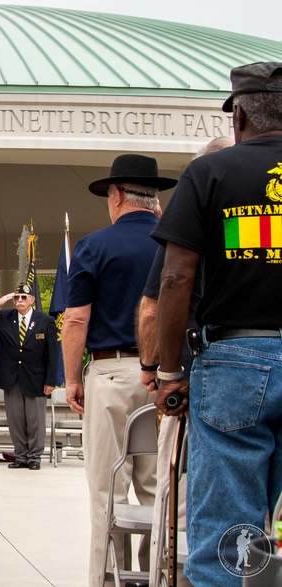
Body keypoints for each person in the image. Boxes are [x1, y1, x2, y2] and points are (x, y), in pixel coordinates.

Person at [153, 62, 282, 585]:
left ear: (241, 114)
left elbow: (176, 278)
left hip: (234, 361)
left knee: (227, 534)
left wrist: (167, 371)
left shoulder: (210, 173)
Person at [62, 153, 176, 586]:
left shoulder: (94, 245)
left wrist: (73, 378)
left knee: (107, 493)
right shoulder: (174, 242)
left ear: (115, 196)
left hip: (110, 375)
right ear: (155, 199)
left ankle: (109, 579)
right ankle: (155, 576)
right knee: (156, 489)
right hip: (165, 376)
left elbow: (75, 320)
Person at [135, 136, 232, 585]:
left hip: (201, 378)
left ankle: (178, 575)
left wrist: (160, 373)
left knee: (189, 499)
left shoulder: (193, 221)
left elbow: (156, 302)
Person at [0, 283, 58, 470]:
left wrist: (50, 381)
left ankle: (35, 457)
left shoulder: (45, 321)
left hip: (36, 378)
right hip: (12, 377)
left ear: (32, 300)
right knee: (16, 419)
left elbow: (52, 354)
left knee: (35, 420)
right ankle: (21, 456)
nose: (19, 301)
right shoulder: (5, 317)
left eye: (23, 298)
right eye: (16, 298)